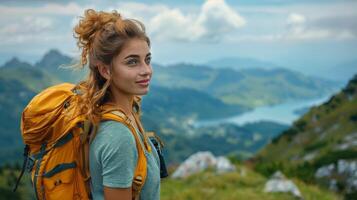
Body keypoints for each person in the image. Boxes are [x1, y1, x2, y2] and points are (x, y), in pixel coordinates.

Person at [73, 9, 160, 200]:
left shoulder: (124, 115)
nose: (146, 70)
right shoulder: (118, 136)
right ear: (105, 71)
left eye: (147, 60)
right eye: (132, 62)